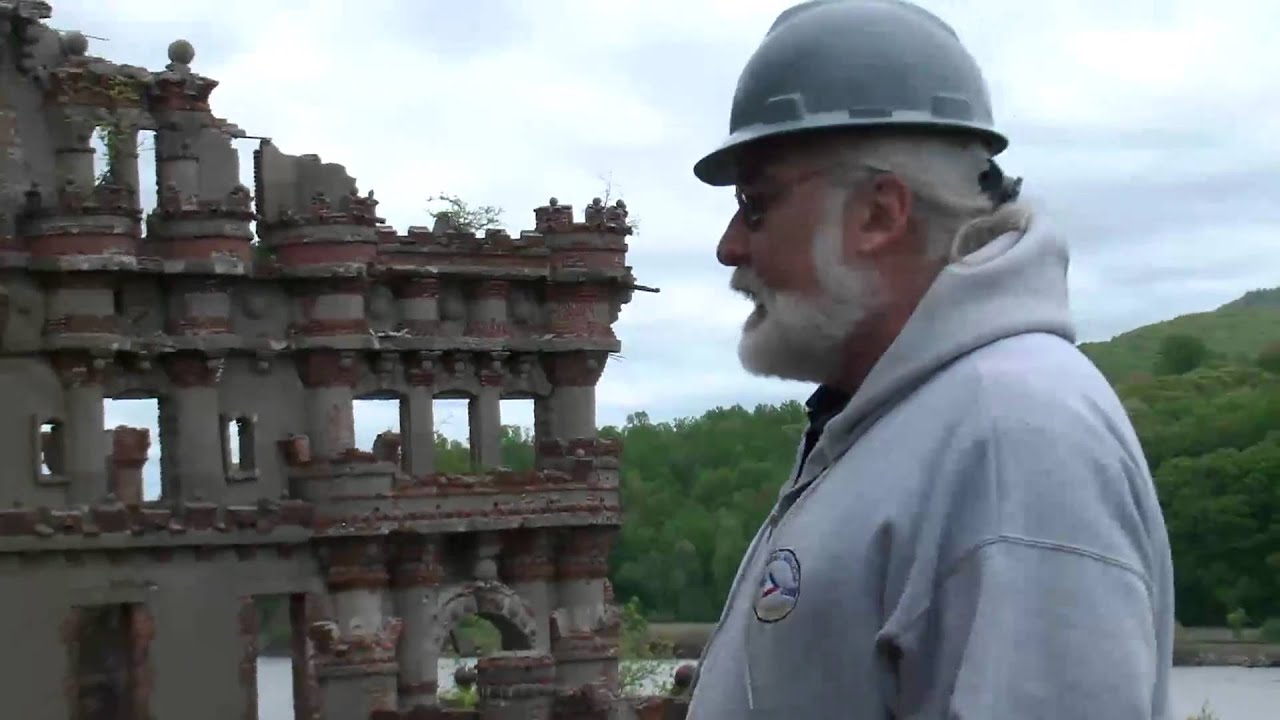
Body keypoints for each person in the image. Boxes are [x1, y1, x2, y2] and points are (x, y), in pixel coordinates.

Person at [685, 1, 1175, 718]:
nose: (731, 245)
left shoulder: (1015, 438)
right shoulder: (907, 419)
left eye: (755, 203)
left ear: (881, 213)